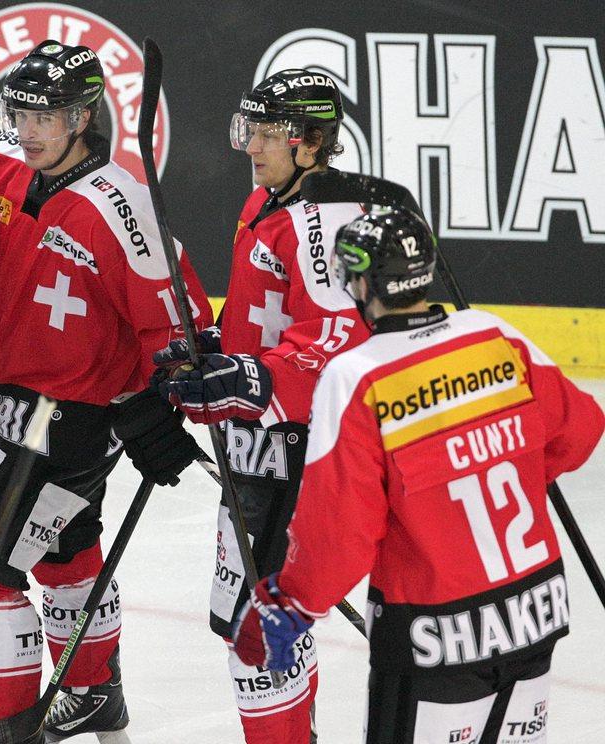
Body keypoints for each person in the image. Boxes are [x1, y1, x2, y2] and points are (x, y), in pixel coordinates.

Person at [0, 40, 213, 740]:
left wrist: (159, 402)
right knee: (65, 554)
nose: (26, 130)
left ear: (83, 118)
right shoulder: (4, 165)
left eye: (44, 118)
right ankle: (91, 694)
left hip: (68, 427)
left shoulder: (122, 208)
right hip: (19, 412)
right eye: (17, 113)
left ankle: (10, 726)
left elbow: (185, 327)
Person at [232, 206, 605, 743]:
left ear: (360, 283)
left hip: (434, 635)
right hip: (534, 613)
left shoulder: (358, 376)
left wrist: (289, 605)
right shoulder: (495, 334)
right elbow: (583, 428)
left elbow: (339, 533)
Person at [157, 69, 369, 742]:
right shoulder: (267, 204)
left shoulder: (325, 221)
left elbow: (337, 340)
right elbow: (269, 319)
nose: (251, 144)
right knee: (249, 630)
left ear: (310, 141)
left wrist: (253, 379)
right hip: (259, 452)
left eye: (268, 132)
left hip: (301, 454)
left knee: (261, 635)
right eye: (249, 128)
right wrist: (223, 346)